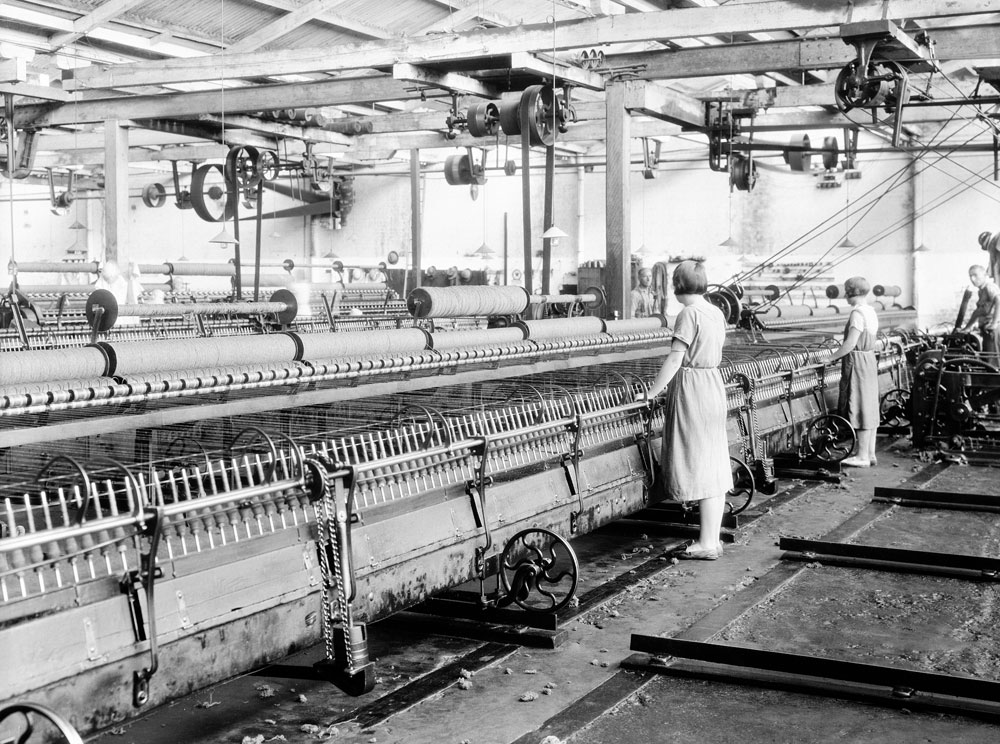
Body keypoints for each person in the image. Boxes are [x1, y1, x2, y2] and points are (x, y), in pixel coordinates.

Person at [644, 260, 729, 560]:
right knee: (713, 462)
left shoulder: (688, 314)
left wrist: (651, 393)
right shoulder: (716, 311)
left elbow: (675, 358)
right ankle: (711, 539)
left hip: (692, 388)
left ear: (677, 287)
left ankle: (707, 544)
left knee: (697, 459)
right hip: (712, 385)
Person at [828, 276, 879, 468]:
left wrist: (830, 358)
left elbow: (850, 344)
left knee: (859, 405)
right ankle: (870, 454)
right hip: (868, 359)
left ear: (851, 292)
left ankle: (862, 457)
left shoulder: (857, 313)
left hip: (857, 361)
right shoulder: (870, 311)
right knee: (870, 406)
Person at [962, 264, 1000, 359]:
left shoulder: (989, 287)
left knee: (993, 361)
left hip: (993, 330)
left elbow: (999, 300)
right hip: (986, 330)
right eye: (970, 276)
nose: (972, 279)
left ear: (984, 275)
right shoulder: (981, 291)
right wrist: (966, 328)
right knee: (986, 358)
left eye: (975, 275)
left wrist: (994, 323)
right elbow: (978, 312)